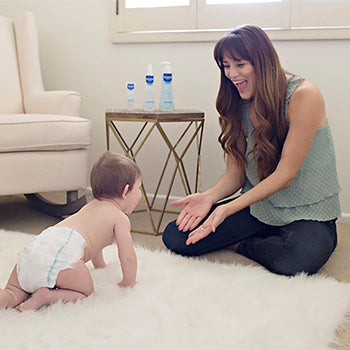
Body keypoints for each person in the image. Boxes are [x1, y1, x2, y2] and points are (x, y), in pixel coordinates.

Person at [162, 25, 341, 276]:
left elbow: (286, 174)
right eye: (226, 66)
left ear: (262, 63)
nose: (232, 74)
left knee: (297, 260)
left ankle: (243, 244)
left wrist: (227, 209)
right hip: (261, 207)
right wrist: (210, 197)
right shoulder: (236, 102)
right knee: (176, 237)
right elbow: (235, 175)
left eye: (240, 64)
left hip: (308, 212)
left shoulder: (303, 95)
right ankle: (259, 237)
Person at [0, 151, 142, 312]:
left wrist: (100, 265)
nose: (140, 194)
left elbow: (94, 243)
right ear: (125, 191)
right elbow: (127, 255)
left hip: (37, 246)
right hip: (62, 254)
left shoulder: (89, 207)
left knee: (11, 295)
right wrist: (129, 282)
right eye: (138, 188)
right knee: (84, 292)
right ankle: (47, 297)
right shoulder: (119, 218)